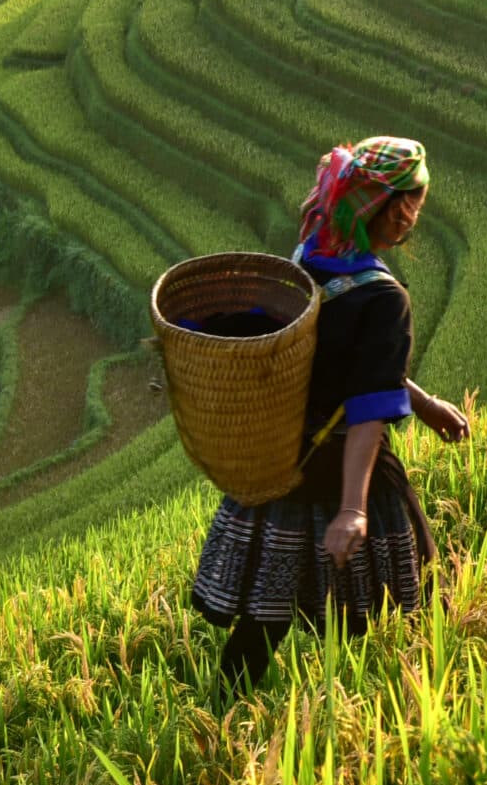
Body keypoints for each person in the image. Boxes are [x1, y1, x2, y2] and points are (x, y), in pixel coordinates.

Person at [191, 135, 472, 688]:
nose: (417, 214)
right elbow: (368, 405)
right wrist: (353, 509)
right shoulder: (384, 297)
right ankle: (407, 689)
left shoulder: (311, 255)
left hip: (283, 450)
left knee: (264, 608)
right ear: (393, 209)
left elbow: (354, 362)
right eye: (415, 201)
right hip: (341, 455)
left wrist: (424, 401)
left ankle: (231, 699)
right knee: (407, 578)